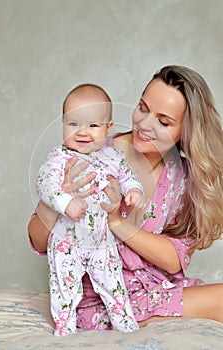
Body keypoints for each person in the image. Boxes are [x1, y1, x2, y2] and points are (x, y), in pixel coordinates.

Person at [29, 65, 223, 331]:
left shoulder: (183, 177)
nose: (145, 124)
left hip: (152, 289)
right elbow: (39, 241)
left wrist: (116, 222)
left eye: (163, 122)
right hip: (99, 296)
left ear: (186, 130)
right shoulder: (91, 153)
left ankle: (152, 318)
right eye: (143, 108)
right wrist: (60, 199)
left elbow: (174, 259)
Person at [36, 83, 145, 335]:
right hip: (67, 241)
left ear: (108, 129)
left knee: (113, 283)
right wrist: (65, 203)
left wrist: (133, 190)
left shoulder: (114, 157)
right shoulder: (59, 158)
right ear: (62, 123)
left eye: (92, 126)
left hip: (102, 240)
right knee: (65, 286)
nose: (82, 132)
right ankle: (65, 328)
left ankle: (126, 325)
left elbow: (127, 175)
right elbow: (45, 185)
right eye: (73, 124)